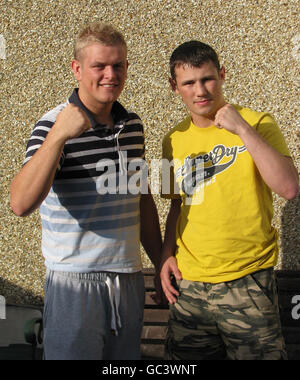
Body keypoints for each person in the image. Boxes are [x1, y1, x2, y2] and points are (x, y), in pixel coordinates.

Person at [10, 23, 163, 360]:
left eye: (118, 65)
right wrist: (59, 136)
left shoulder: (132, 125)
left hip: (129, 278)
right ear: (76, 69)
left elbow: (141, 198)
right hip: (74, 282)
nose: (111, 74)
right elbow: (20, 203)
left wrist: (160, 259)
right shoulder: (51, 125)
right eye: (99, 66)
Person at [160, 40, 299, 360]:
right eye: (189, 83)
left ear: (222, 74)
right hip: (189, 285)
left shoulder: (259, 122)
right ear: (174, 86)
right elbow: (175, 204)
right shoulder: (172, 140)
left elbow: (290, 188)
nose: (200, 91)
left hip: (248, 281)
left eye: (207, 78)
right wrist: (164, 256)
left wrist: (242, 130)